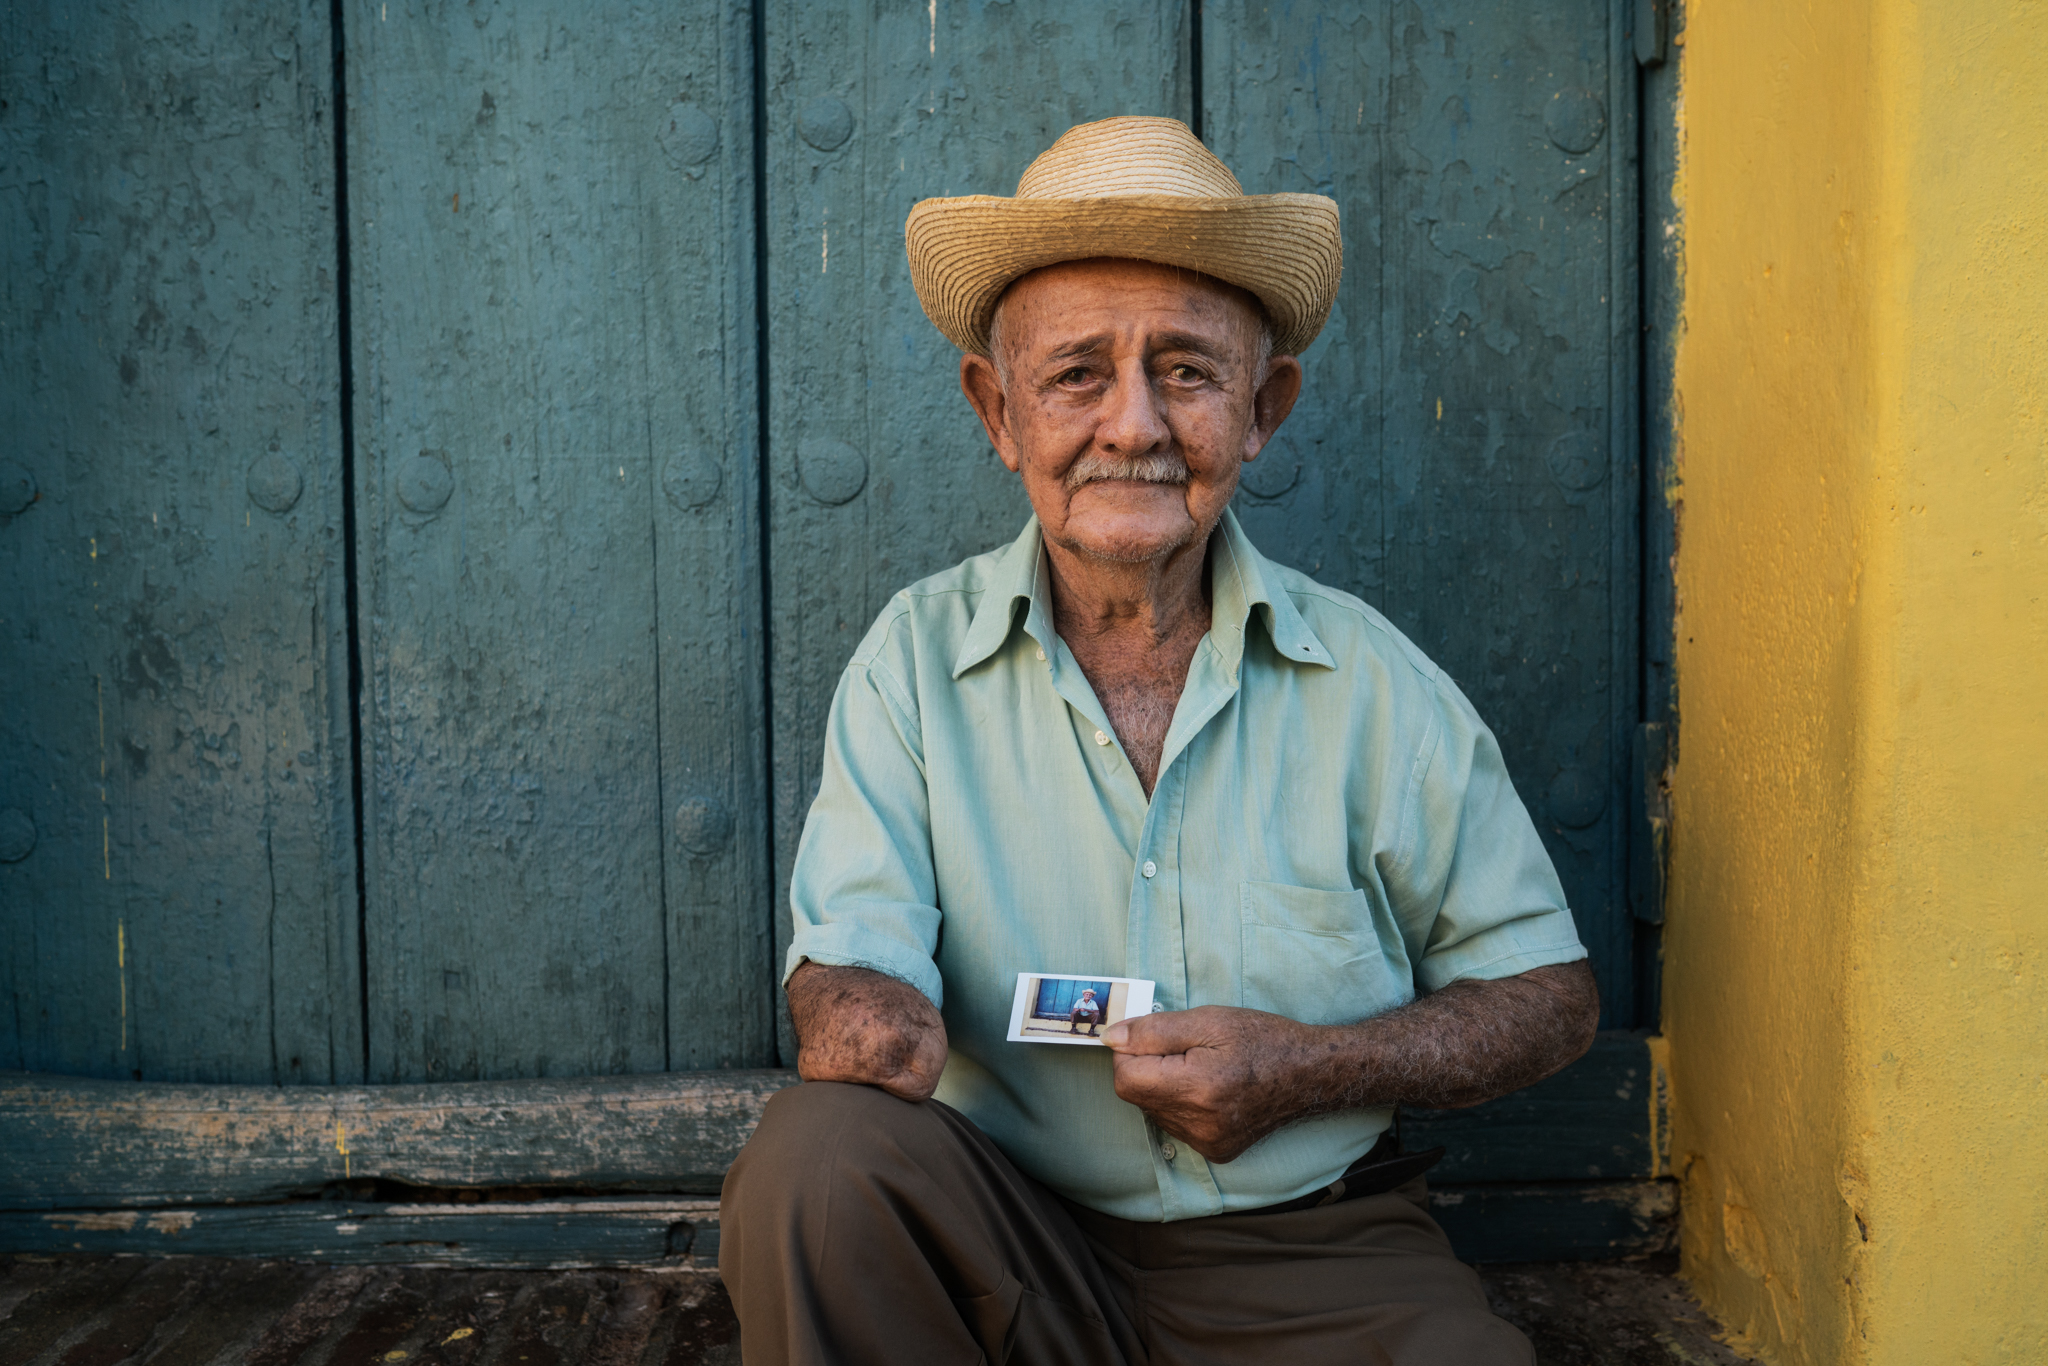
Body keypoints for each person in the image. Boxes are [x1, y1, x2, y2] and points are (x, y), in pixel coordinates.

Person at [720, 116, 1599, 1365]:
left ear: (1261, 410)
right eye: (1076, 372)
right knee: (813, 1158)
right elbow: (846, 956)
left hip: (1312, 1259)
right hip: (1004, 1241)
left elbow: (1549, 998)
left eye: (1185, 370)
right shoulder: (912, 662)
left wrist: (1309, 1066)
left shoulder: (1369, 682)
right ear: (997, 410)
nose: (1131, 424)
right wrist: (857, 1006)